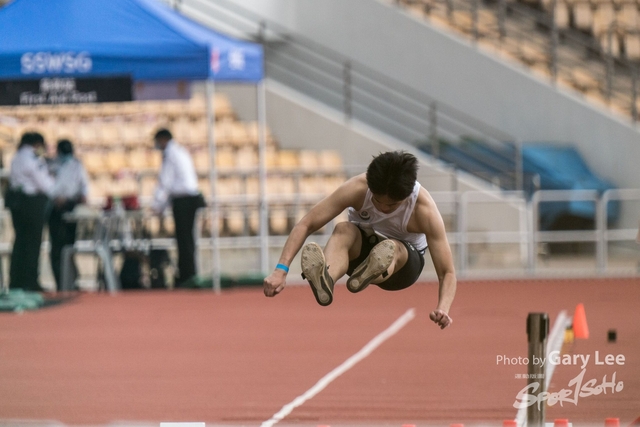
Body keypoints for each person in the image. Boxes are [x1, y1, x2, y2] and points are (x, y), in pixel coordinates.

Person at [263, 151, 456, 329]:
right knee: (343, 229)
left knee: (393, 247)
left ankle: (372, 271)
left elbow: (447, 271)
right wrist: (281, 269)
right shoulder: (358, 188)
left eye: (392, 205)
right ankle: (325, 280)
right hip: (360, 257)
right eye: (377, 201)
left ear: (406, 197)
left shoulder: (424, 209)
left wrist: (443, 307)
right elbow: (307, 223)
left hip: (402, 268)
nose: (383, 208)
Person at [151, 128, 206, 287]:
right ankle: (188, 274)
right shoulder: (180, 151)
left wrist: (157, 206)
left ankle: (187, 276)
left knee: (184, 240)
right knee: (187, 240)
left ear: (162, 139)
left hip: (184, 200)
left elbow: (165, 182)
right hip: (189, 198)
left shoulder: (170, 154)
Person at [6, 132, 54, 292]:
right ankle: (30, 281)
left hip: (17, 204)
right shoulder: (33, 159)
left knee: (19, 243)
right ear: (37, 144)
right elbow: (44, 184)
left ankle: (16, 281)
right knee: (33, 244)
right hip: (32, 203)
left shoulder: (17, 157)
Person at [48, 139, 89, 291]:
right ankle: (60, 282)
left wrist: (82, 199)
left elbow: (84, 186)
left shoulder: (77, 165)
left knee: (70, 246)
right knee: (57, 247)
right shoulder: (52, 165)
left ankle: (71, 280)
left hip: (71, 205)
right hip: (56, 208)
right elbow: (48, 187)